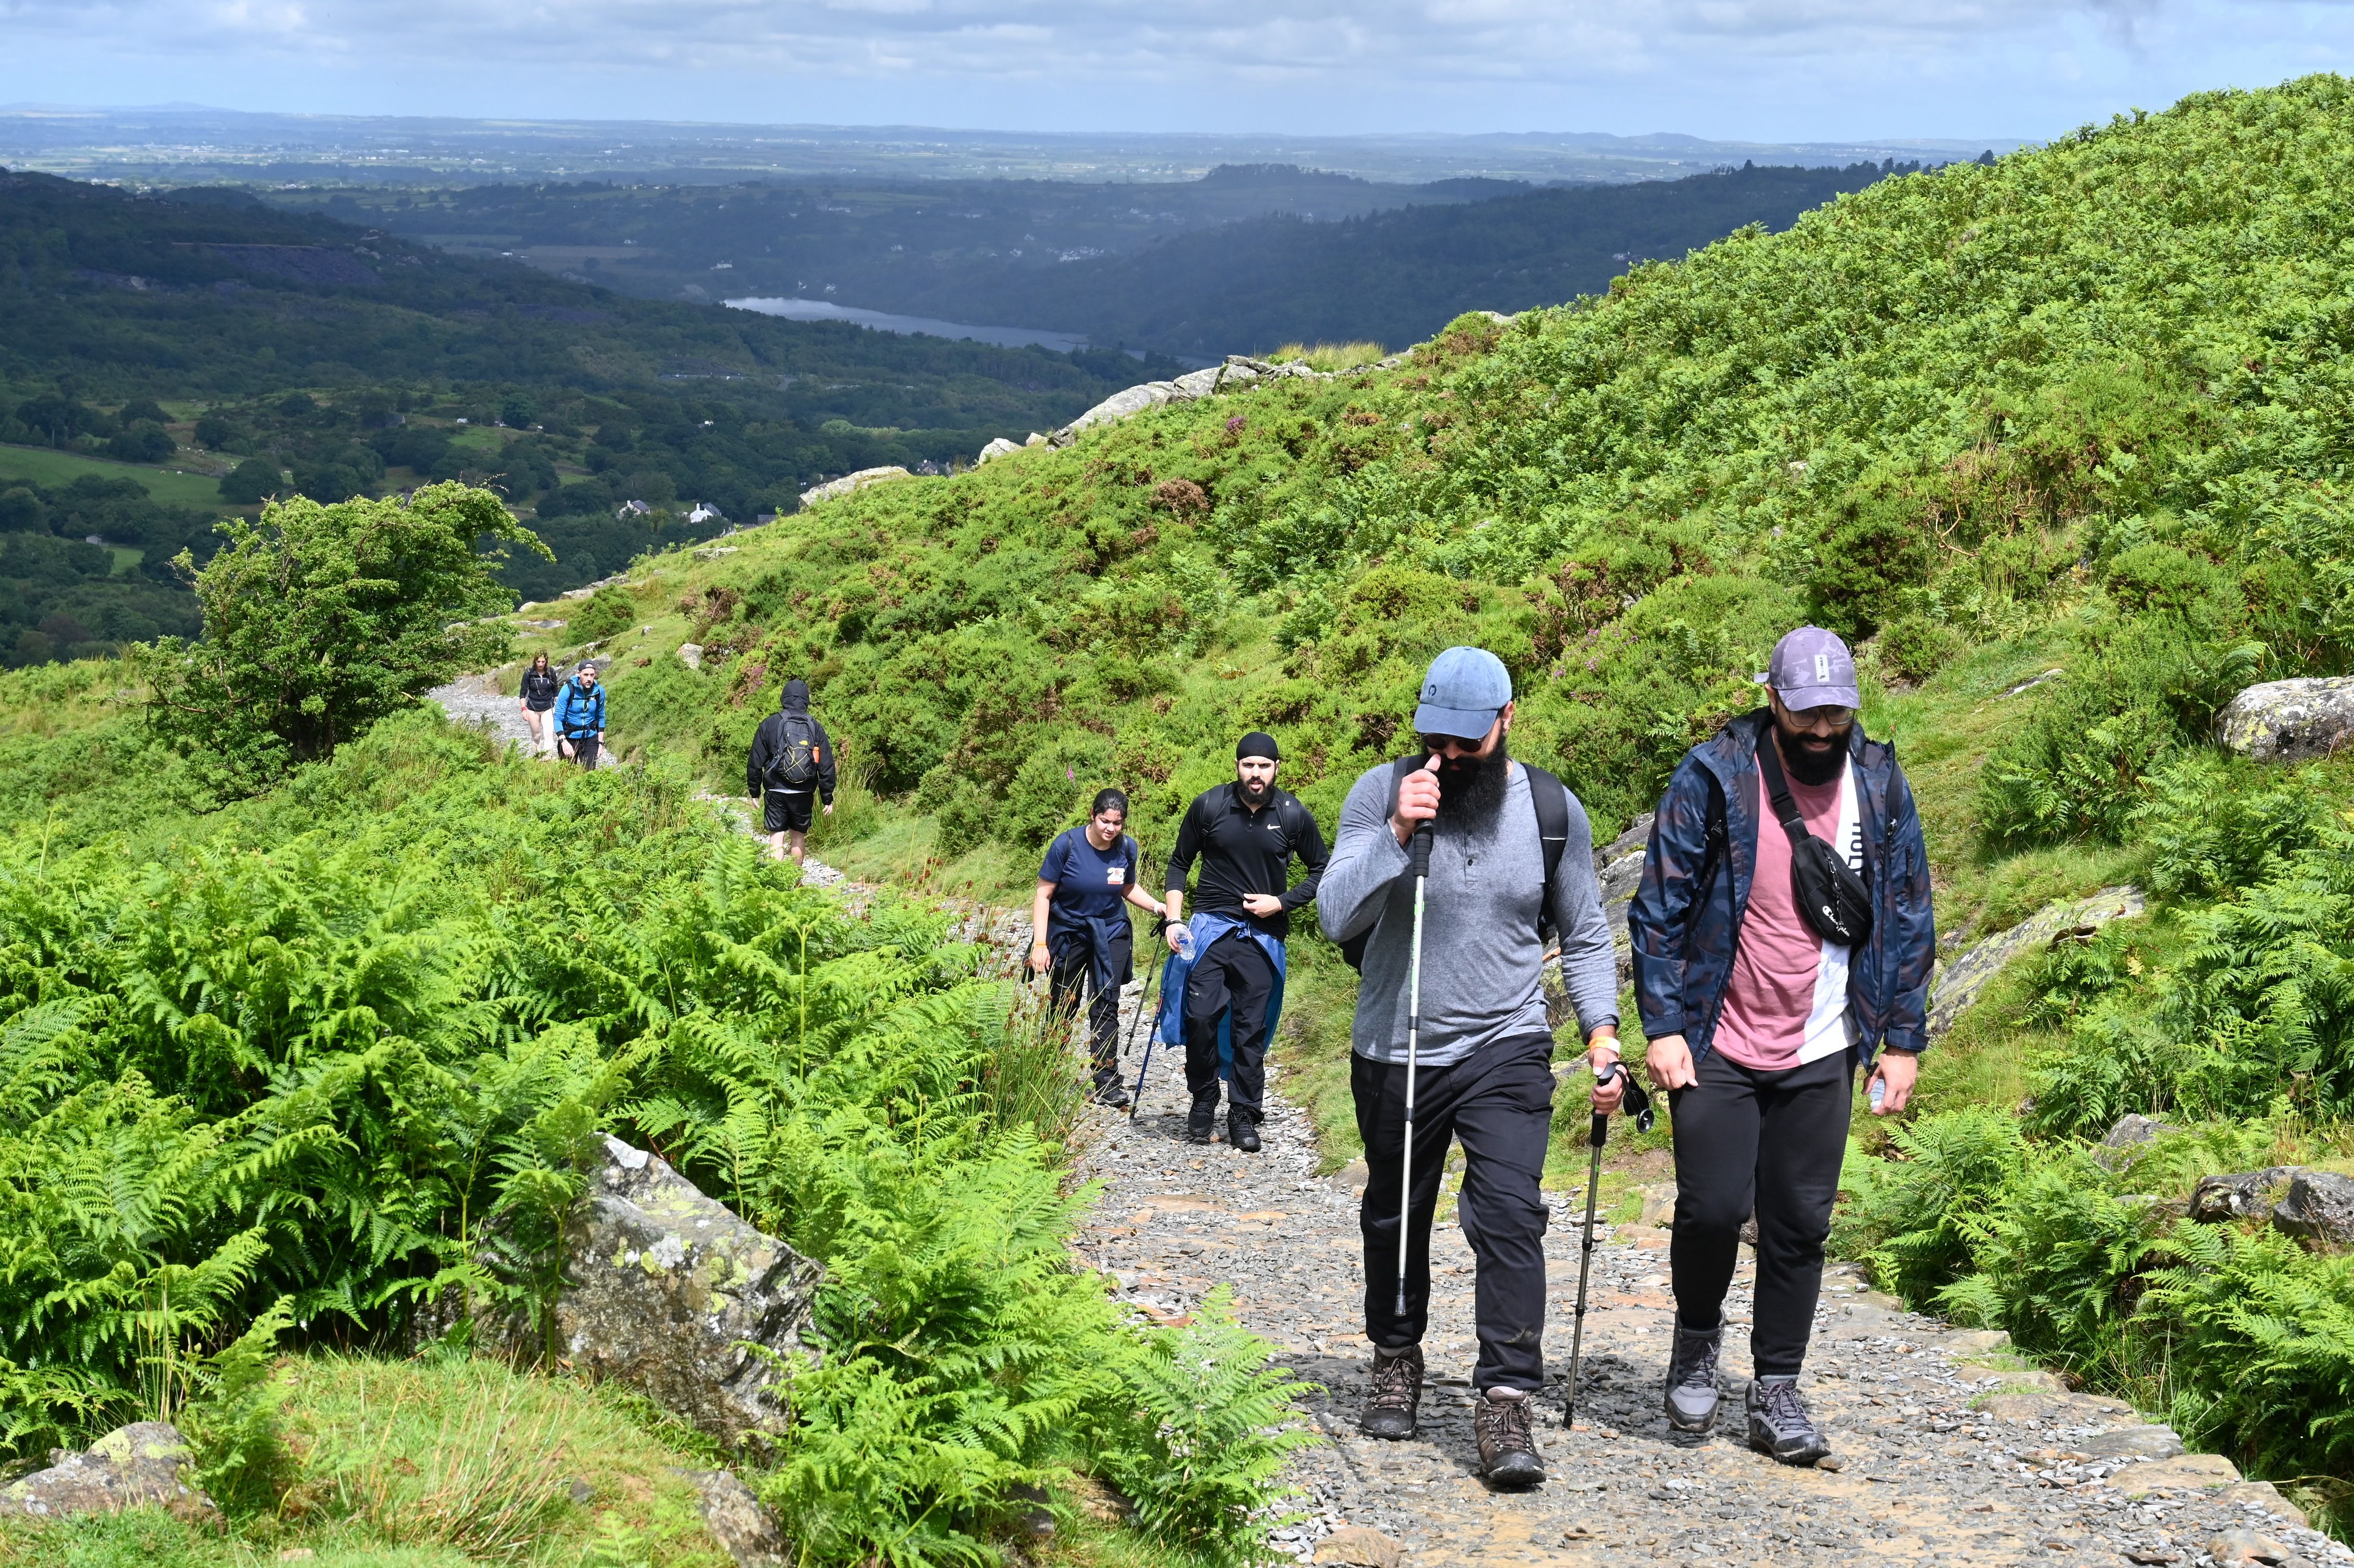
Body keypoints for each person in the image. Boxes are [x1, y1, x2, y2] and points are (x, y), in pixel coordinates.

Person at [1623, 625, 1934, 1466]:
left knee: (1798, 1223)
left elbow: (1906, 914)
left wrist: (1899, 1040)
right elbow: (1658, 909)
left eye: (1837, 713)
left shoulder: (1878, 782)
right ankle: (1694, 1340)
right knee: (1713, 1209)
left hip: (1823, 1041)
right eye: (1806, 715)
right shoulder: (1713, 777)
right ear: (1772, 700)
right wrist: (1659, 1027)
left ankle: (1775, 1388)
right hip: (1716, 1037)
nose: (1823, 730)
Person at [1320, 645, 1620, 1487]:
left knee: (1509, 1213)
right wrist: (1396, 835)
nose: (1448, 759)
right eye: (1434, 741)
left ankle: (1503, 1397)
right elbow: (1332, 912)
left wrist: (1602, 1029)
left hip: (1505, 1042)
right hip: (1395, 1044)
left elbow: (1587, 931)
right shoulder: (1380, 794)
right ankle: (1395, 1352)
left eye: (1467, 743)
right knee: (1394, 1212)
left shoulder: (1552, 809)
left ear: (1505, 721)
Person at [1161, 731, 1328, 1152]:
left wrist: (1282, 902)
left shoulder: (1292, 814)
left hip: (1263, 937)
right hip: (1210, 931)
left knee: (1249, 1030)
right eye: (1248, 765)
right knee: (1199, 1017)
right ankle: (1203, 1098)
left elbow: (1323, 870)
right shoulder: (1210, 806)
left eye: (1264, 765)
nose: (1256, 773)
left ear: (1276, 768)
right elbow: (1180, 863)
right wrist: (1174, 919)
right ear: (1237, 766)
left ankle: (1243, 1113)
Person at [1030, 789, 1168, 1107]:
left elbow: (1128, 888)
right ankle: (1046, 1071)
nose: (1111, 828)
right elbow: (1043, 895)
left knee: (1106, 1003)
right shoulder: (1066, 845)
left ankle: (1106, 1083)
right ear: (1093, 815)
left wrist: (1158, 907)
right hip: (1070, 932)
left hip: (1112, 932)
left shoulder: (1126, 849)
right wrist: (1040, 943)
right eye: (1105, 821)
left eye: (1118, 823)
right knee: (1064, 1001)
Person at [746, 678, 837, 864]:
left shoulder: (770, 724)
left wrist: (755, 791)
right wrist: (827, 797)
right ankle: (796, 884)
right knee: (798, 836)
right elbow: (826, 764)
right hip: (804, 792)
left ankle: (778, 884)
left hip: (776, 791)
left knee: (777, 835)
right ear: (806, 700)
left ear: (784, 698)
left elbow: (755, 761)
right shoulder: (815, 726)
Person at [552, 660, 606, 769]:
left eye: (592, 675)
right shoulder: (568, 690)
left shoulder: (599, 691)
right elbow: (558, 719)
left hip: (590, 737)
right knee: (566, 773)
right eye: (586, 675)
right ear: (579, 674)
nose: (589, 678)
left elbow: (601, 717)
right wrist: (563, 742)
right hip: (570, 737)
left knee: (590, 774)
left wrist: (600, 744)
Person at [517, 652, 560, 758]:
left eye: (543, 662)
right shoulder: (529, 673)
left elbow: (555, 691)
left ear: (546, 661)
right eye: (538, 661)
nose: (541, 664)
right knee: (536, 736)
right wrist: (524, 709)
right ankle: (537, 757)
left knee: (549, 734)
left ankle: (547, 758)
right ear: (535, 661)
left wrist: (559, 707)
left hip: (548, 707)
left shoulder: (551, 673)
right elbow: (523, 692)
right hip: (532, 708)